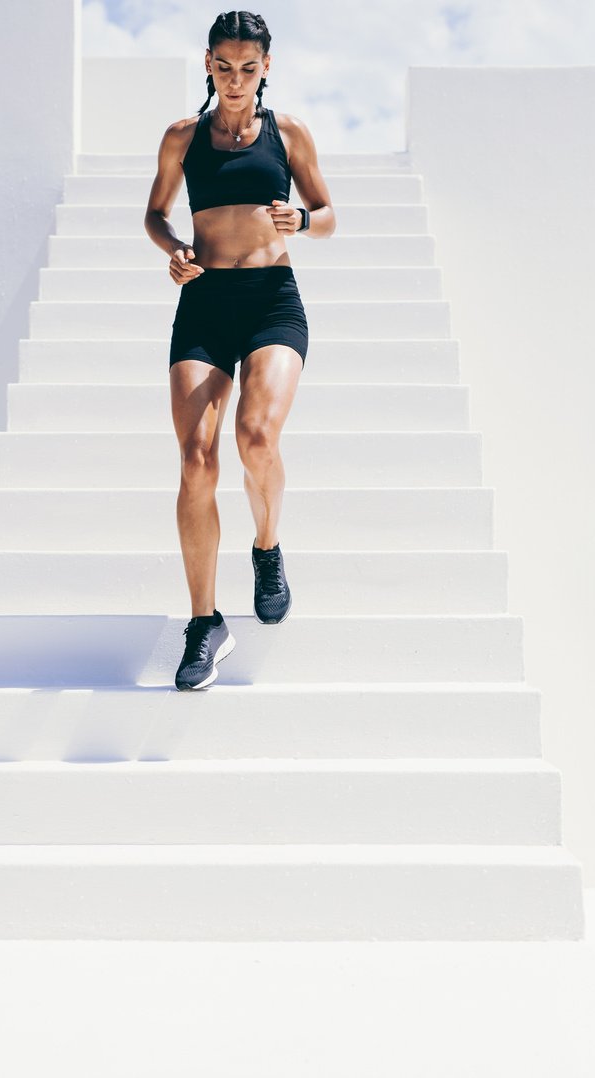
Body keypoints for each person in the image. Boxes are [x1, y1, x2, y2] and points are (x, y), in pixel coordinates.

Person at [143, 11, 335, 690]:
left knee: (256, 437)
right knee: (196, 461)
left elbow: (326, 212)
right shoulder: (181, 136)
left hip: (272, 302)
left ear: (266, 68)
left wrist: (303, 220)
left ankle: (266, 546)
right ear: (206, 63)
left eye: (247, 68)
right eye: (223, 67)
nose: (234, 80)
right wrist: (174, 252)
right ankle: (204, 622)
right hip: (203, 305)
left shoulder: (289, 134)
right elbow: (154, 212)